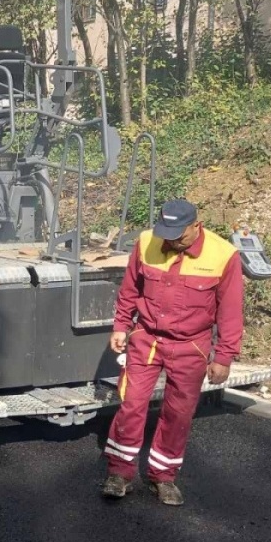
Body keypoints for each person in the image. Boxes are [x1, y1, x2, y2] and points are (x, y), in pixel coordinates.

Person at [101, 199, 244, 506]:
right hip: (146, 338)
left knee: (178, 414)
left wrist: (223, 357)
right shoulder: (146, 242)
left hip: (190, 346)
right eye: (167, 233)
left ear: (197, 225)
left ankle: (163, 476)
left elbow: (231, 312)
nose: (172, 240)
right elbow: (130, 289)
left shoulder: (224, 255)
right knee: (132, 404)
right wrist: (120, 325)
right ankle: (119, 472)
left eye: (179, 234)